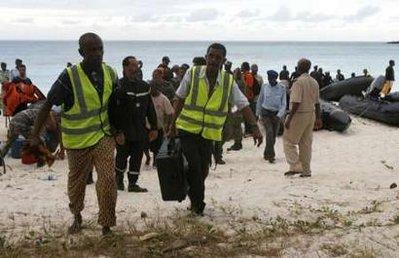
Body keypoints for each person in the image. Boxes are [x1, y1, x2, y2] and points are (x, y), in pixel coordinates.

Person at [28, 33, 122, 236]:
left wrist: (120, 130)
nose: (97, 54)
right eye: (92, 50)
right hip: (77, 140)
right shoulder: (69, 76)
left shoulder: (111, 73)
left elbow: (117, 104)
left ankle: (106, 224)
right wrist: (35, 134)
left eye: (100, 49)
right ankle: (77, 215)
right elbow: (47, 105)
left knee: (107, 179)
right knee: (77, 182)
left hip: (103, 135)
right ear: (81, 52)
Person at [169, 43, 263, 215]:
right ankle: (198, 206)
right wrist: (172, 125)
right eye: (211, 56)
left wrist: (255, 127)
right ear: (206, 57)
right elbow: (179, 98)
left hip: (209, 134)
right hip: (187, 130)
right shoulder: (193, 73)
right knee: (195, 167)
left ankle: (193, 197)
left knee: (203, 169)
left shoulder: (228, 81)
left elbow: (243, 104)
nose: (213, 60)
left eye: (217, 58)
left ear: (223, 61)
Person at [114, 56, 158, 193]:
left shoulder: (144, 86)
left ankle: (133, 184)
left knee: (137, 157)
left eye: (137, 65)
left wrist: (154, 127)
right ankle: (118, 181)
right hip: (123, 130)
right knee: (121, 157)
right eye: (132, 65)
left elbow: (150, 108)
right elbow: (113, 110)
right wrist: (117, 131)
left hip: (140, 129)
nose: (135, 68)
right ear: (125, 68)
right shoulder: (118, 86)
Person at [283, 58, 322, 178]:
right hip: (311, 113)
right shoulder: (314, 82)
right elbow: (317, 102)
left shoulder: (298, 82)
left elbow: (296, 102)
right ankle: (306, 171)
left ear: (298, 68)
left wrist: (289, 118)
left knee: (288, 141)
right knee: (305, 144)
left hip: (299, 114)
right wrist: (318, 118)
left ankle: (295, 165)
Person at [256, 70, 286, 163]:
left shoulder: (282, 88)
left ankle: (266, 153)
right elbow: (260, 100)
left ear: (275, 78)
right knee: (269, 132)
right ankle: (271, 156)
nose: (270, 80)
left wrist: (279, 115)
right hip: (265, 113)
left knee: (273, 136)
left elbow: (284, 103)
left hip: (276, 114)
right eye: (269, 78)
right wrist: (257, 114)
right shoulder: (264, 86)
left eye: (272, 79)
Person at [150, 82, 174, 167]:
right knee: (149, 146)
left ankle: (156, 161)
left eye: (153, 88)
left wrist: (167, 124)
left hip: (160, 127)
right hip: (149, 126)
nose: (151, 90)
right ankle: (150, 158)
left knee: (158, 146)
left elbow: (169, 113)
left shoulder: (163, 99)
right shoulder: (148, 97)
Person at [241, 62, 255, 135]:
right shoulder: (244, 75)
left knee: (248, 114)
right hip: (245, 97)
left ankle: (249, 130)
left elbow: (249, 87)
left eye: (242, 66)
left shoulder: (248, 75)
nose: (241, 68)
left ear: (245, 67)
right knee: (245, 115)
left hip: (248, 97)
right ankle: (247, 130)